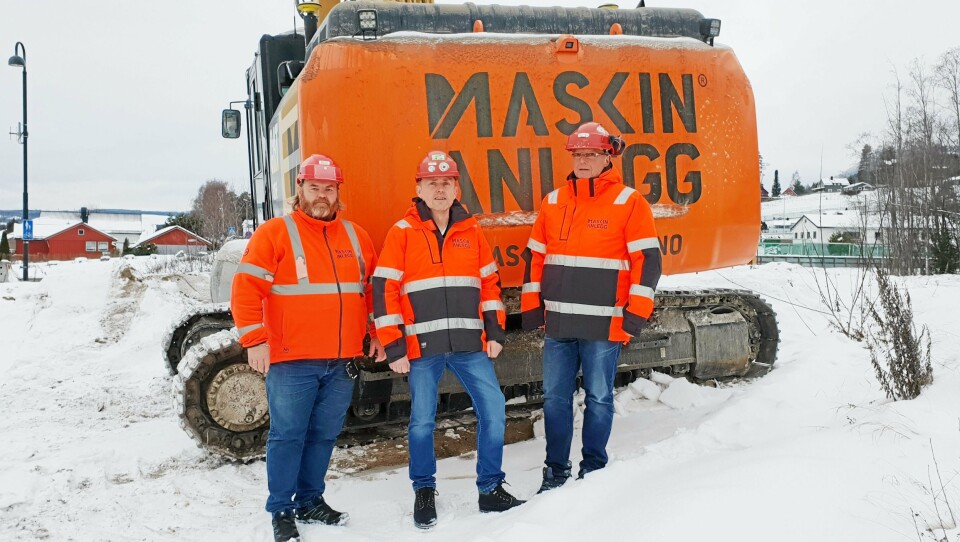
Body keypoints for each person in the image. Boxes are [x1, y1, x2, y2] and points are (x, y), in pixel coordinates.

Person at [231, 153, 386, 542]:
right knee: (288, 434)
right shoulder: (274, 233)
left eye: (329, 189)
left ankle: (311, 500)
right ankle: (281, 508)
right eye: (314, 187)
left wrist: (379, 333)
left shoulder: (356, 236)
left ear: (338, 193)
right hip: (291, 360)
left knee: (325, 433)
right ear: (299, 189)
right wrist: (254, 340)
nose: (322, 195)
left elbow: (371, 293)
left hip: (342, 359)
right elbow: (246, 289)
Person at [372, 150, 524, 529]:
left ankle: (490, 489)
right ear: (419, 188)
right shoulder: (402, 233)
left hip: (470, 344)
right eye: (432, 183)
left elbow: (489, 283)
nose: (440, 190)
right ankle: (424, 491)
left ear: (456, 188)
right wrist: (393, 346)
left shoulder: (471, 231)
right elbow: (384, 289)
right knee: (422, 422)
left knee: (493, 410)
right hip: (420, 349)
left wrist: (494, 332)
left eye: (446, 183)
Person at [520, 122, 662, 492]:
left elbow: (648, 261)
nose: (583, 161)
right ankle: (555, 470)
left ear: (607, 157)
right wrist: (533, 309)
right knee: (554, 399)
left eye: (592, 155)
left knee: (599, 398)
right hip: (559, 325)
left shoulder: (628, 202)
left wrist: (635, 316)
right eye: (578, 154)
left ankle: (594, 468)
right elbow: (535, 258)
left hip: (604, 326)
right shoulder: (553, 202)